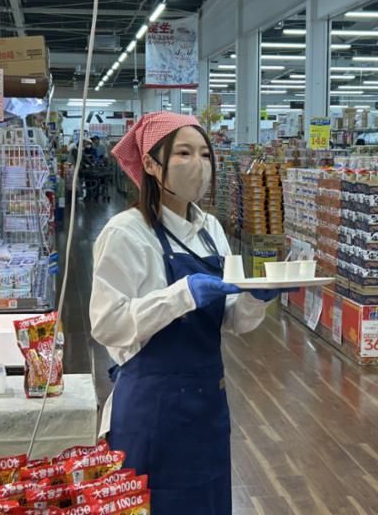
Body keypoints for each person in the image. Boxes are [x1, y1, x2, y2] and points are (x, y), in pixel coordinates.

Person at [89, 112, 287, 514]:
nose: (198, 164)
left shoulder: (210, 229)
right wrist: (181, 295)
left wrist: (256, 298)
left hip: (207, 406)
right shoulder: (126, 233)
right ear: (150, 164)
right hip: (151, 410)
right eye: (183, 153)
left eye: (204, 154)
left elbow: (231, 320)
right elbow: (107, 325)